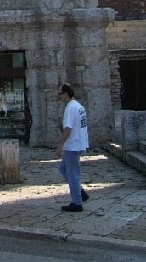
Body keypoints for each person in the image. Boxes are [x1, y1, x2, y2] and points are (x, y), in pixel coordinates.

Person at [56, 83, 90, 212]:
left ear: (65, 93)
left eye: (60, 94)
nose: (60, 97)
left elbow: (68, 129)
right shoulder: (79, 106)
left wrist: (60, 145)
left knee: (72, 173)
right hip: (79, 142)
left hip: (73, 145)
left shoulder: (70, 108)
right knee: (63, 169)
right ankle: (80, 193)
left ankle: (77, 202)